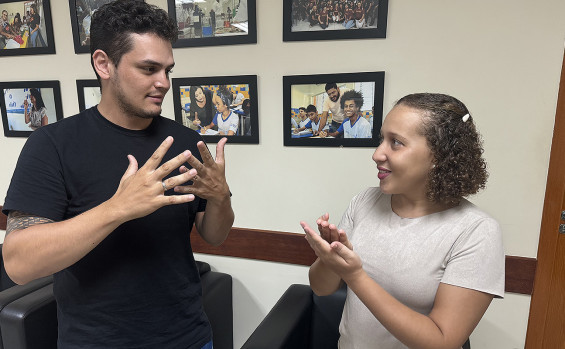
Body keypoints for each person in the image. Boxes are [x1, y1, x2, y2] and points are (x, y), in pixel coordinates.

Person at [2, 1, 234, 349]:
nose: (164, 82)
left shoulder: (186, 142)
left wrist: (220, 197)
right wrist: (119, 208)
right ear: (103, 64)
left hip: (189, 338)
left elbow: (214, 235)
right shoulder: (53, 145)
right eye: (149, 69)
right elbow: (19, 263)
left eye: (168, 70)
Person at [302, 93, 504, 349]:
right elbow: (321, 289)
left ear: (438, 157)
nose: (377, 154)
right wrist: (330, 261)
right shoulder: (365, 201)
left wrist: (355, 276)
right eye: (381, 140)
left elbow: (442, 342)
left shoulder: (476, 231)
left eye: (395, 143)